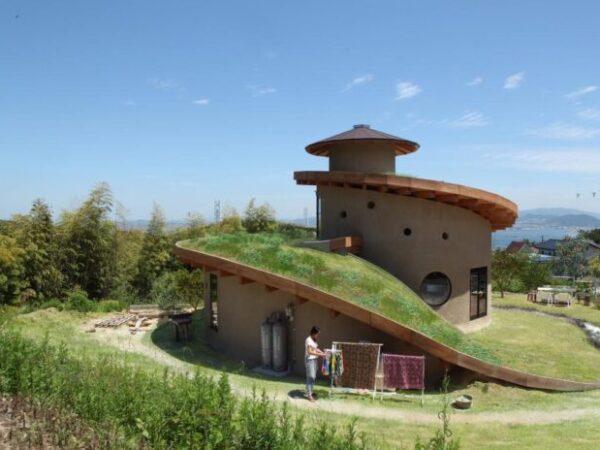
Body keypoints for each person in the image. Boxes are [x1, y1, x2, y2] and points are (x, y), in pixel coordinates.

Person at [305, 325, 326, 402]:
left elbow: (315, 348)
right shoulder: (308, 340)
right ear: (314, 332)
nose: (318, 335)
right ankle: (309, 395)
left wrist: (321, 352)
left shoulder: (314, 339)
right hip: (309, 360)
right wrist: (321, 355)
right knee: (310, 377)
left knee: (313, 377)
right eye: (317, 334)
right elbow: (309, 351)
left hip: (314, 360)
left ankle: (310, 391)